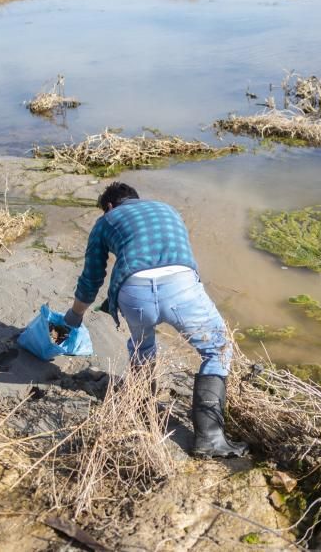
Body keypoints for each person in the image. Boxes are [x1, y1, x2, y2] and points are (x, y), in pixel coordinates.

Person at [63, 182, 248, 459]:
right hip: (181, 288)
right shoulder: (167, 209)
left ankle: (141, 410)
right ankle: (209, 437)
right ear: (136, 199)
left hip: (133, 291)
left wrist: (75, 315)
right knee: (217, 348)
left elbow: (92, 277)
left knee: (142, 347)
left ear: (110, 206)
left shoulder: (106, 221)